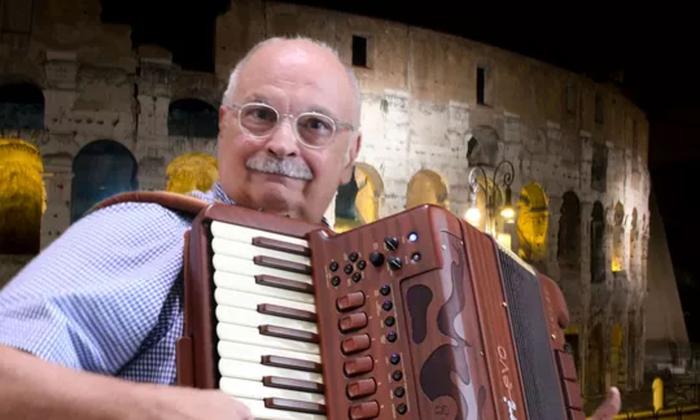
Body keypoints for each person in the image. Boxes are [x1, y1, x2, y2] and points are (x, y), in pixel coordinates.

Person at [0, 36, 620, 419]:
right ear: (224, 127)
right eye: (261, 115)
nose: (283, 143)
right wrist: (149, 412)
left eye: (316, 126)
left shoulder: (375, 278)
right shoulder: (155, 233)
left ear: (351, 157)